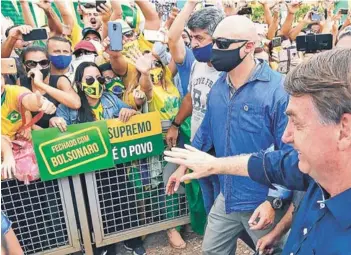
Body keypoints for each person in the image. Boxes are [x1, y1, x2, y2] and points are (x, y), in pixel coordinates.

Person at [164, 48, 351, 255]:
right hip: (229, 194)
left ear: (344, 130)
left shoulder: (273, 91)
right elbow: (273, 164)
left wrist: (272, 202)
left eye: (297, 123)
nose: (285, 136)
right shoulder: (314, 173)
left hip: (257, 199)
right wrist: (214, 164)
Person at [167, 15, 293, 255]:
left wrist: (273, 201)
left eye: (222, 44)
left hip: (262, 200)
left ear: (248, 47)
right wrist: (183, 167)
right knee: (211, 250)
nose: (215, 50)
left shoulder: (278, 90)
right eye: (214, 42)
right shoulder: (219, 88)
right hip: (228, 196)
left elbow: (289, 153)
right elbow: (205, 133)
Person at [50, 62, 146, 255]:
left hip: (114, 166)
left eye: (99, 78)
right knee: (94, 210)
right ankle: (104, 245)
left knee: (124, 201)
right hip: (87, 171)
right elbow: (55, 123)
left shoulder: (111, 98)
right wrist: (54, 121)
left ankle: (132, 239)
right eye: (90, 79)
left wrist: (130, 111)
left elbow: (131, 112)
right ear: (78, 83)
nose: (96, 82)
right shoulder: (69, 106)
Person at [17, 46, 80, 128]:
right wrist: (32, 127)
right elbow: (17, 111)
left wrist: (40, 84)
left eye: (43, 63)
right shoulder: (21, 82)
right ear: (24, 66)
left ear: (49, 64)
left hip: (57, 132)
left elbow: (76, 103)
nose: (38, 68)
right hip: (31, 133)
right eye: (31, 64)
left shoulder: (60, 80)